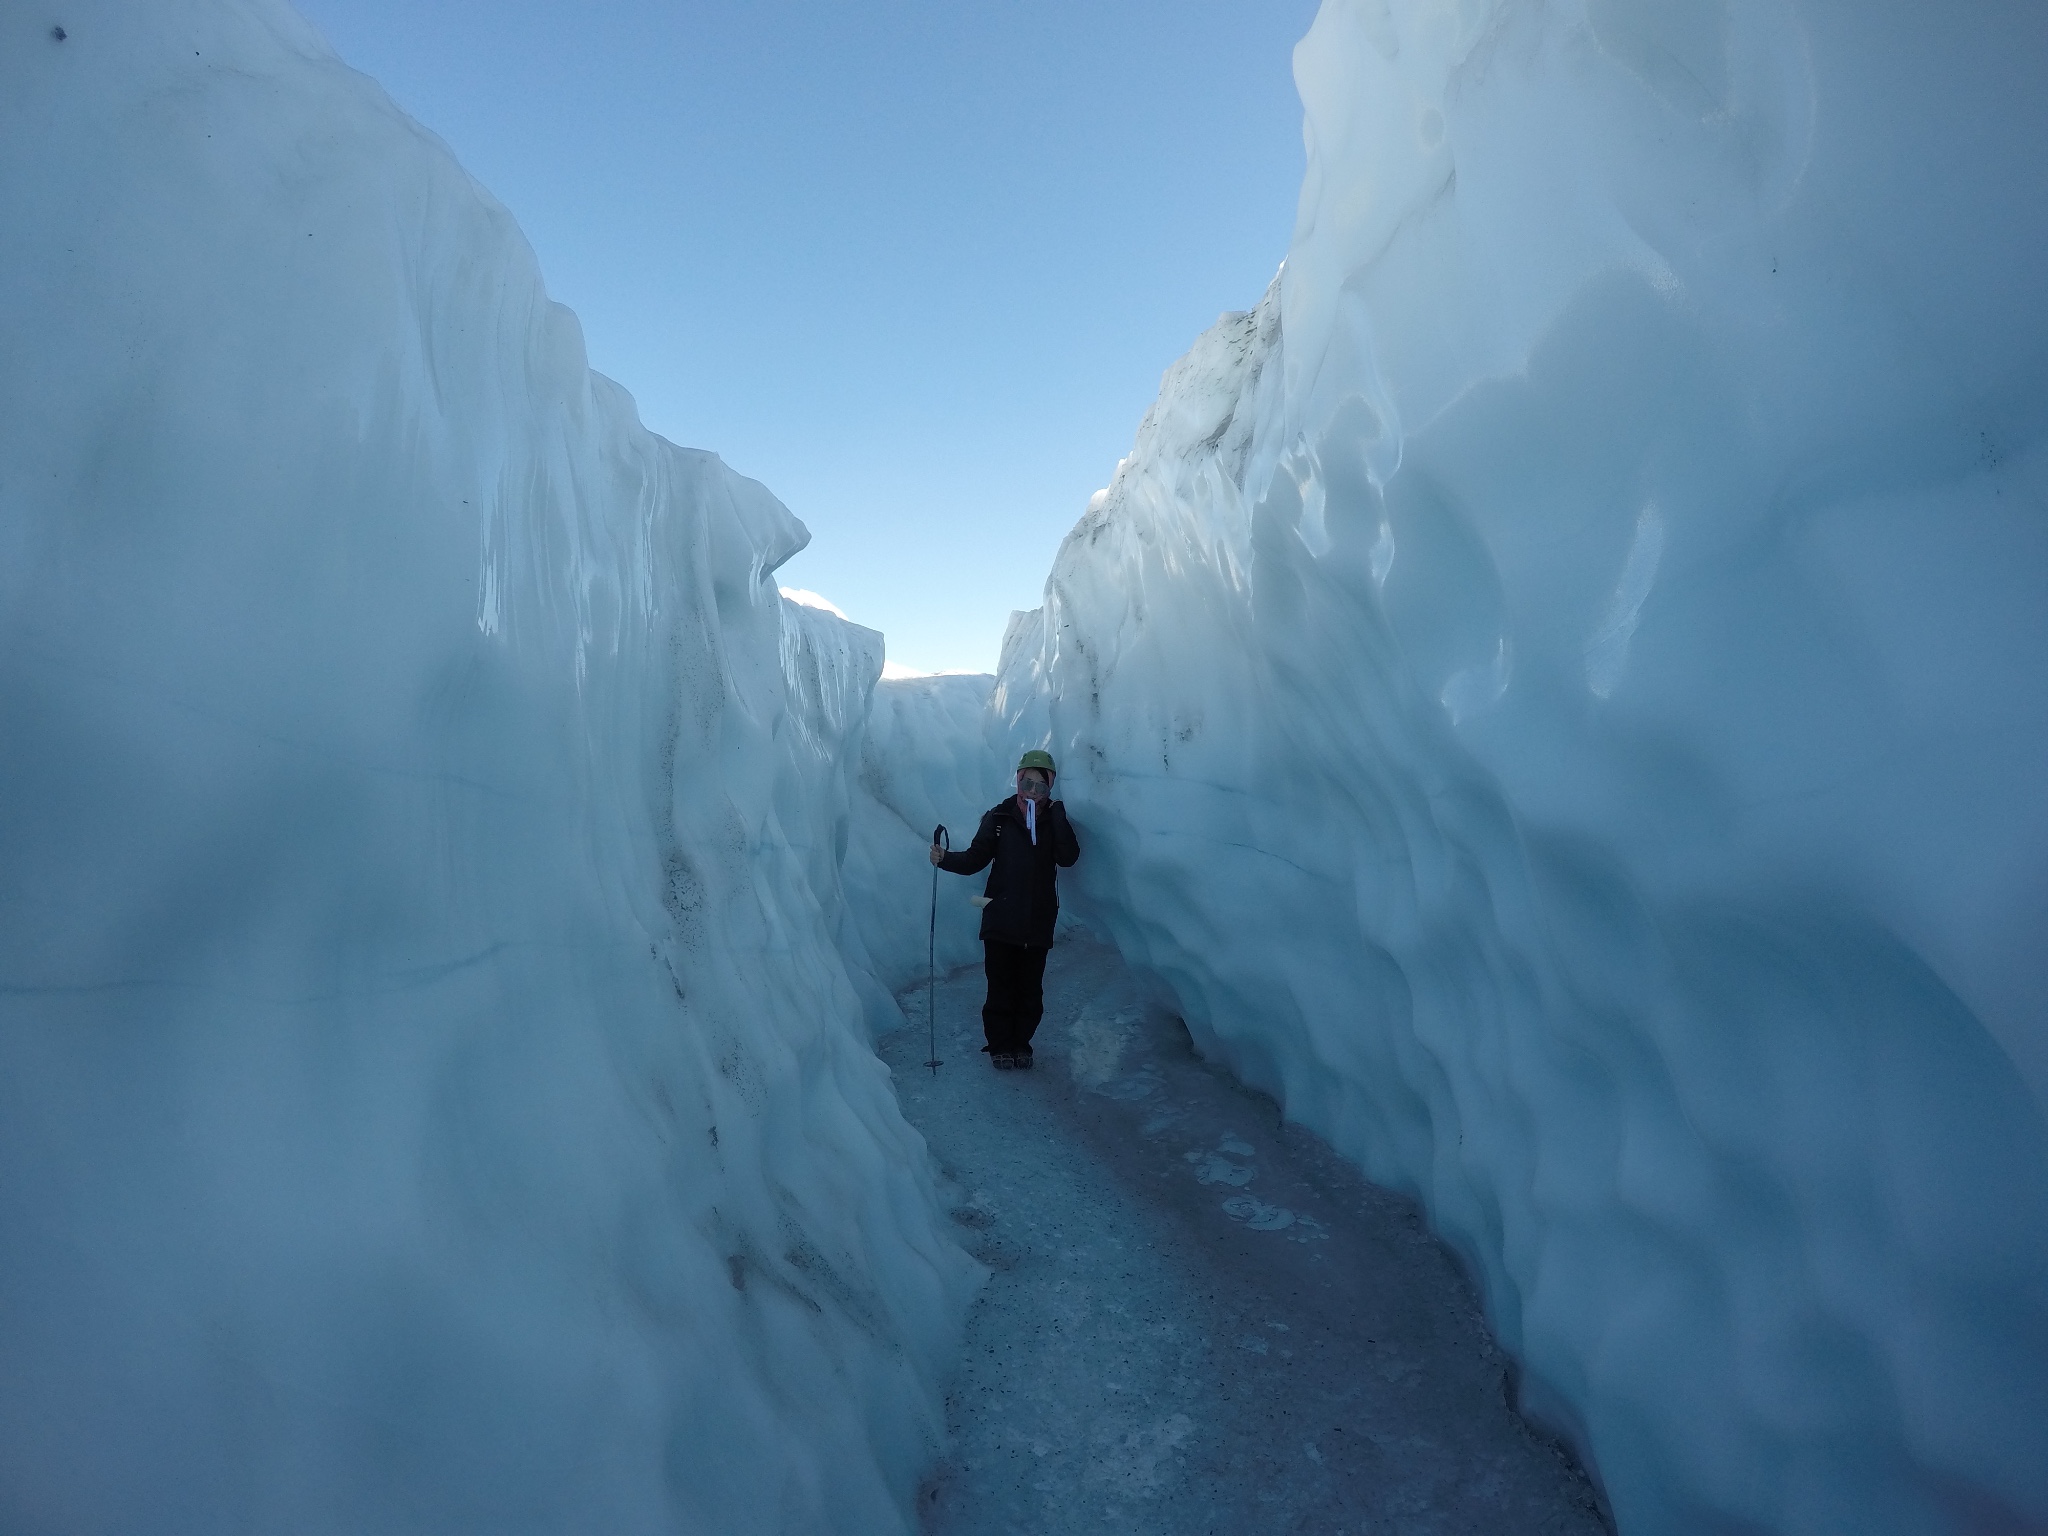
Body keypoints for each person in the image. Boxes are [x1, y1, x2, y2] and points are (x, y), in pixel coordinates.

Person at [929, 749, 1080, 1069]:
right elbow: (975, 859)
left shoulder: (1053, 821)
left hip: (1037, 923)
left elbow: (1068, 857)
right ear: (1018, 781)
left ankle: (1021, 1044)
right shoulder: (999, 818)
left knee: (1030, 993)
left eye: (1041, 786)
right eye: (1027, 783)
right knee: (1000, 989)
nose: (1032, 792)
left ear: (1050, 788)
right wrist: (945, 859)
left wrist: (1058, 816)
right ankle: (1000, 1045)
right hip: (1001, 920)